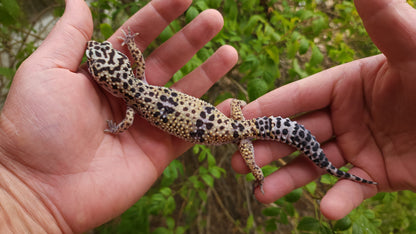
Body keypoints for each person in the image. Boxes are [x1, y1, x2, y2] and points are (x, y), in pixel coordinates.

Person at [0, 0, 414, 232]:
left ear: (111, 82)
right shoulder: (135, 87)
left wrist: (257, 173)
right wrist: (128, 45)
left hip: (234, 128)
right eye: (99, 62)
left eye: (100, 60)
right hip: (231, 122)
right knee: (271, 137)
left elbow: (126, 119)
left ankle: (323, 166)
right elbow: (137, 68)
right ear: (116, 76)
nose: (94, 59)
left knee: (262, 150)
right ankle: (326, 165)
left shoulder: (130, 103)